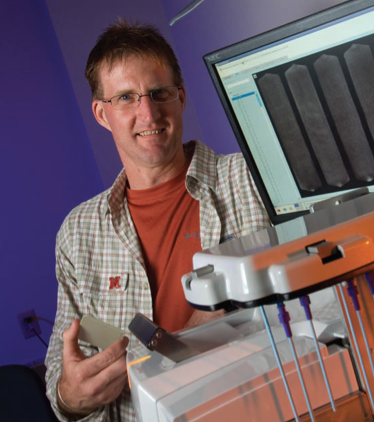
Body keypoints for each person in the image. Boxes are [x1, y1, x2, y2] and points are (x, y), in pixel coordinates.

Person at [45, 19, 270, 421]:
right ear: (101, 113)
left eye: (159, 93)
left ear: (181, 97)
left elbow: (323, 300)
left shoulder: (253, 181)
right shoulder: (77, 234)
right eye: (127, 98)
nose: (148, 112)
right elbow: (60, 378)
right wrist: (70, 396)